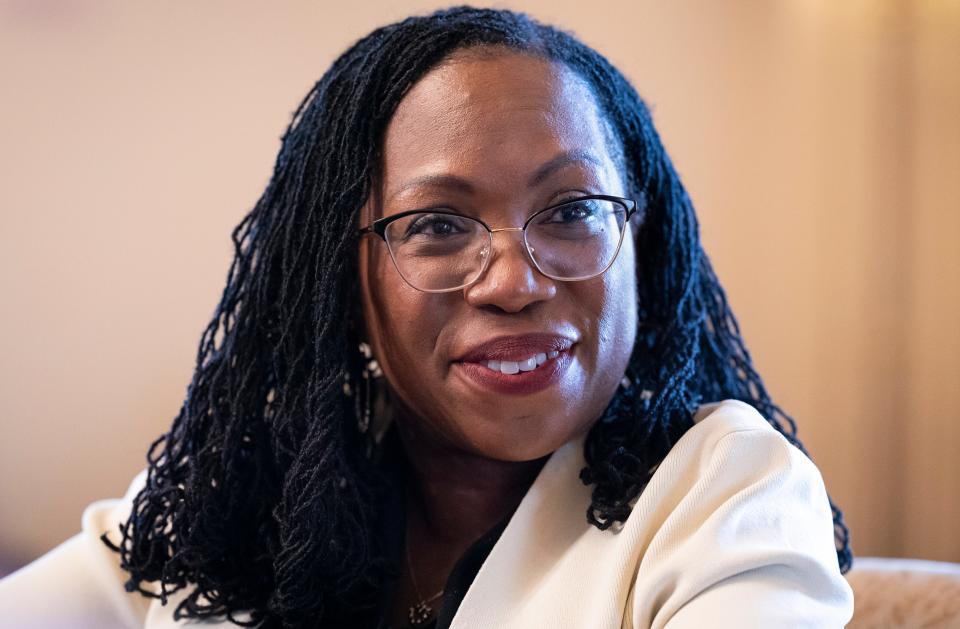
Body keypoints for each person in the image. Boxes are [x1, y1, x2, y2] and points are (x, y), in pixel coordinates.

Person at [0, 6, 854, 628]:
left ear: (644, 239)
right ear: (341, 273)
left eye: (572, 210)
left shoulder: (726, 494)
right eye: (438, 225)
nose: (515, 281)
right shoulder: (232, 497)